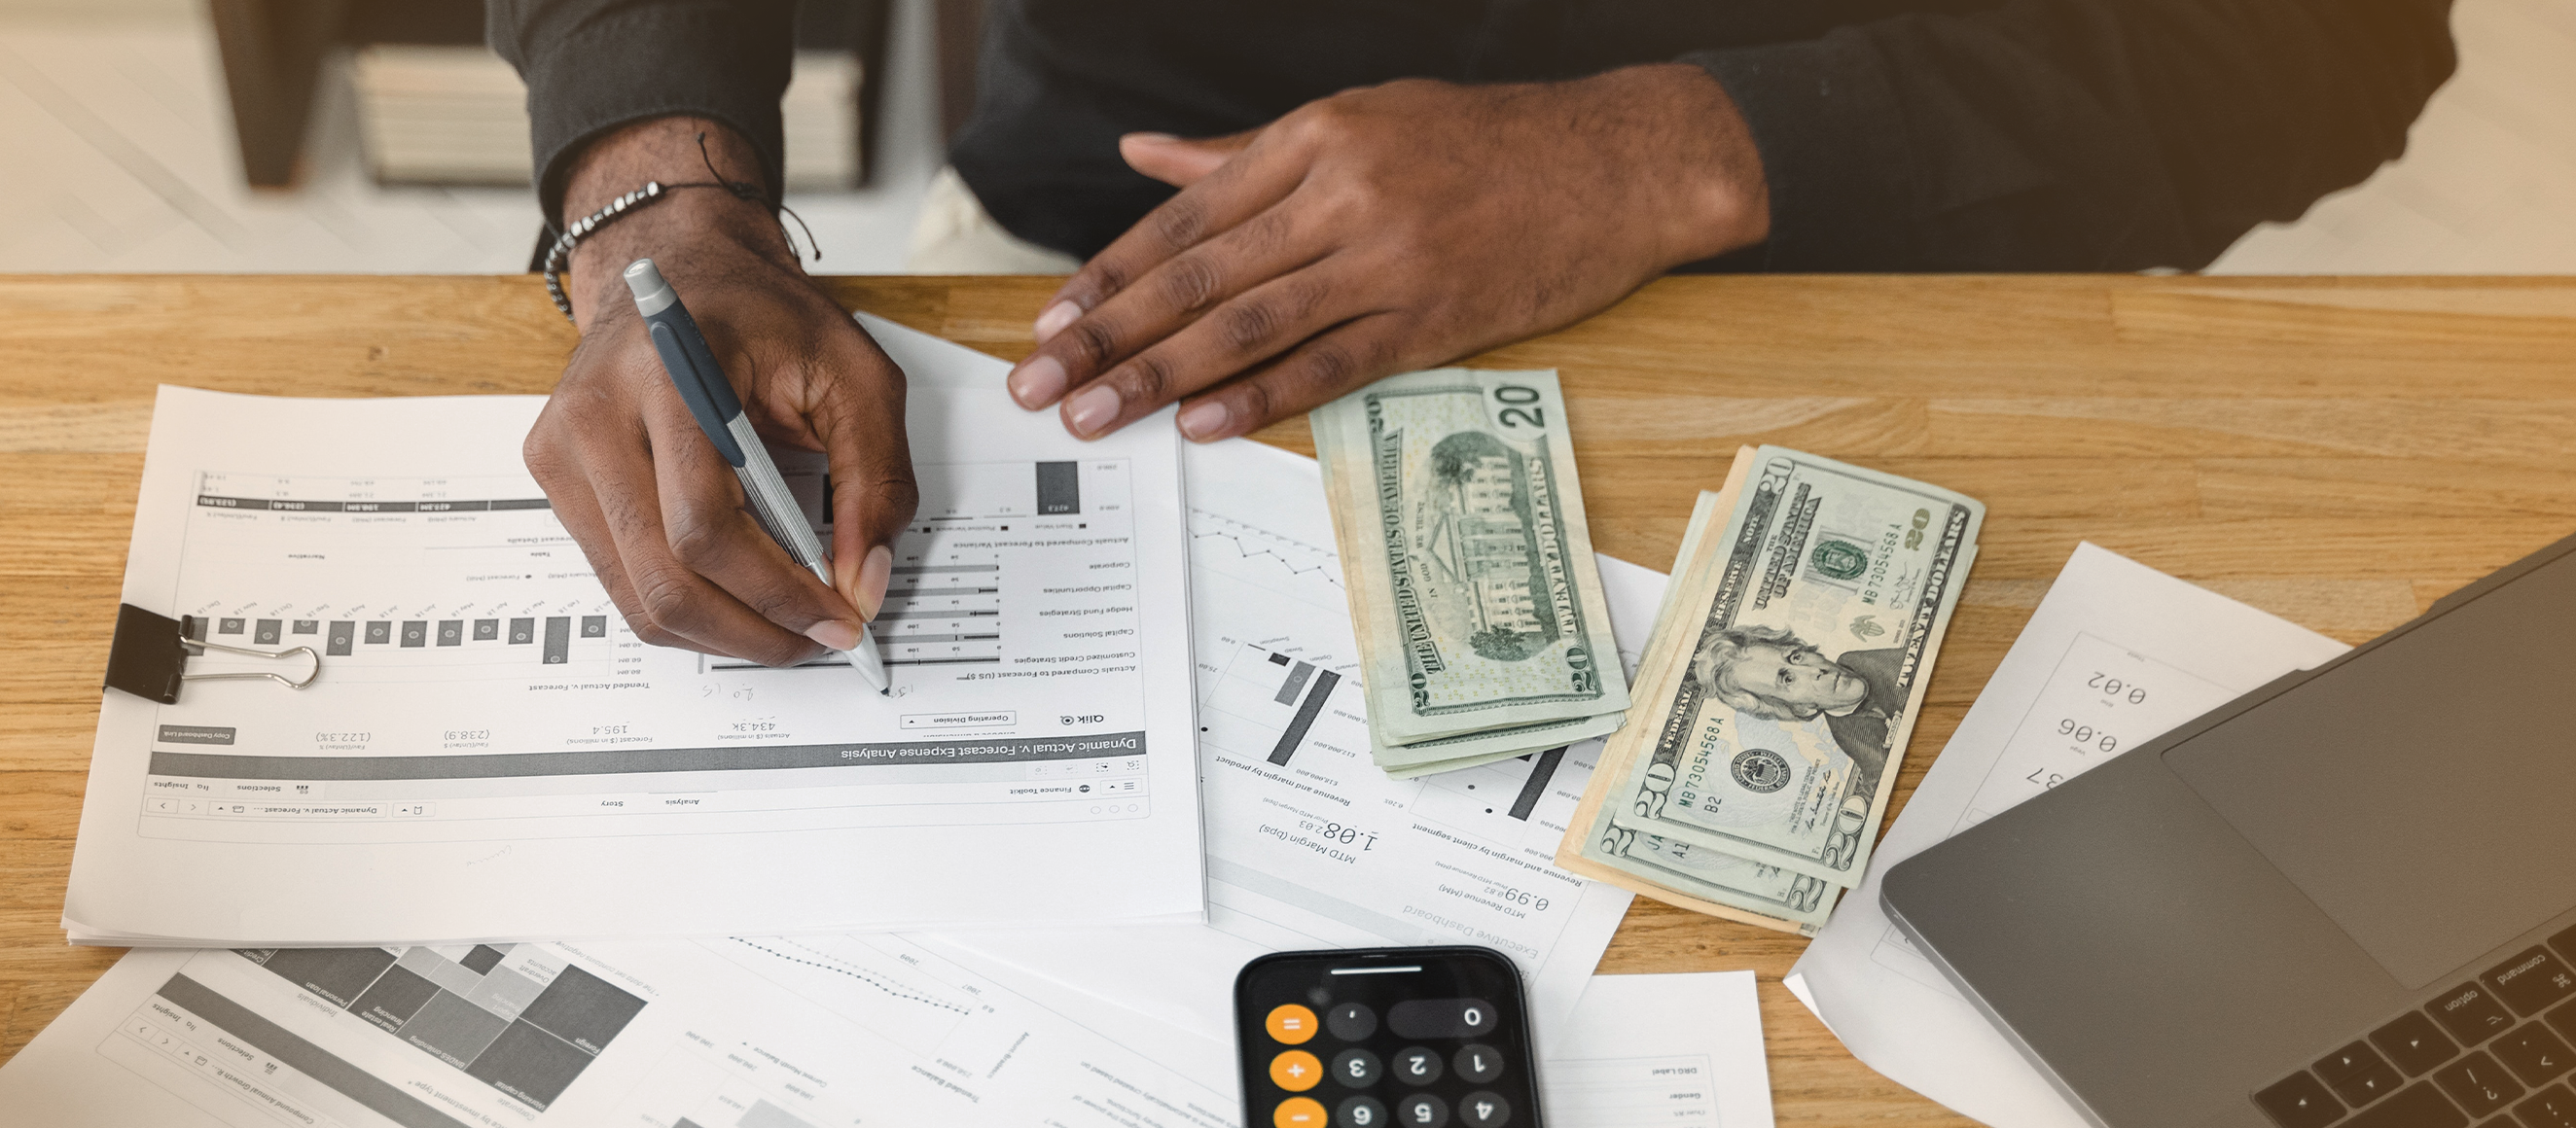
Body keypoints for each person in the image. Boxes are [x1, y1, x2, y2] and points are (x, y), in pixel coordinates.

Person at [487, 0, 2453, 665]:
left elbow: (2331, 46)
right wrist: (653, 202)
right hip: (1096, 268)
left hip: (1892, 264)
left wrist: (1665, 147)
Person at [1693, 625, 1908, 801]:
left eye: (1795, 657)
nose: (1815, 671)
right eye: (1788, 679)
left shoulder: (1866, 663)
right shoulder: (1846, 734)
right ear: (1800, 708)